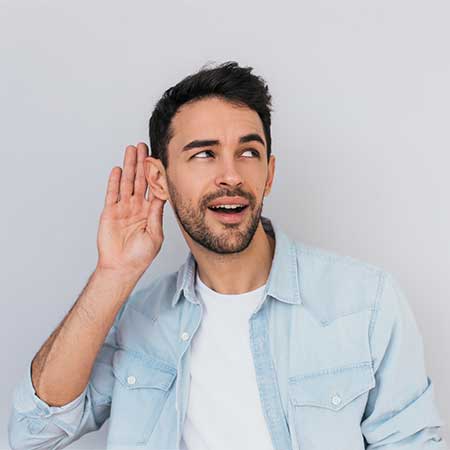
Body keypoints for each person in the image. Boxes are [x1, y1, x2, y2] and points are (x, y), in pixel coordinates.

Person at [8, 61, 447, 450]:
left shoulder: (365, 303)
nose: (231, 175)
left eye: (248, 152)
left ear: (269, 174)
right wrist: (114, 273)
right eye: (204, 154)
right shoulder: (139, 323)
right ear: (159, 179)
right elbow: (33, 431)